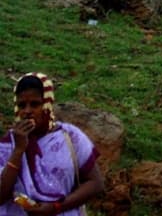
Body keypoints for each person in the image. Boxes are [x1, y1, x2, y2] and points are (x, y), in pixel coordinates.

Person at [0, 72, 105, 214]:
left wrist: (56, 207)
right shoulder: (8, 143)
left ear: (47, 104)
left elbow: (96, 184)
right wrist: (18, 150)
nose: (27, 111)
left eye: (35, 104)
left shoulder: (70, 137)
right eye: (22, 105)